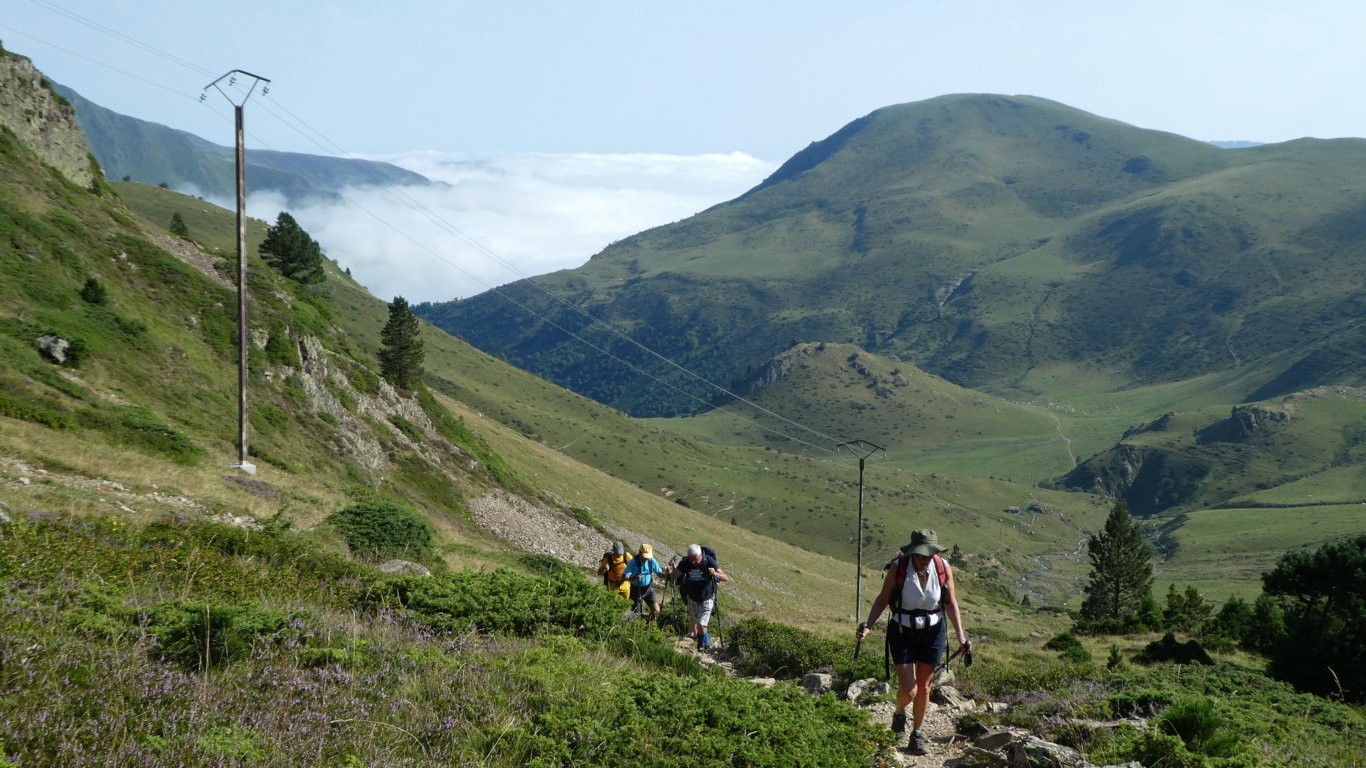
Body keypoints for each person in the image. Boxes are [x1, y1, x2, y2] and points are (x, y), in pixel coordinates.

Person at [856, 529, 969, 756]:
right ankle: (899, 712)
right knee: (910, 690)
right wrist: (868, 625)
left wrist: (961, 635)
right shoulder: (899, 567)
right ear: (912, 553)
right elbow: (883, 598)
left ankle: (916, 734)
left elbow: (950, 602)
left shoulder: (942, 568)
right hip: (902, 631)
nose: (922, 560)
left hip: (933, 632)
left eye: (926, 556)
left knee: (925, 687)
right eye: (919, 555)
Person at [670, 543, 728, 650]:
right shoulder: (686, 562)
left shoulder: (708, 561)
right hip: (692, 598)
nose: (693, 562)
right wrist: (672, 571)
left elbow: (725, 577)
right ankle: (705, 643)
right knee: (699, 623)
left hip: (707, 598)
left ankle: (701, 646)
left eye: (695, 559)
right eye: (691, 559)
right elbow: (674, 577)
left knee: (701, 624)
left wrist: (715, 573)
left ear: (700, 555)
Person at [623, 542, 665, 620]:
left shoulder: (651, 561)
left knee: (656, 610)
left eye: (648, 557)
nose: (646, 559)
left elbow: (659, 574)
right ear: (639, 553)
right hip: (636, 590)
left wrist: (668, 575)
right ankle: (641, 621)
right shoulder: (633, 562)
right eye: (645, 557)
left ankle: (647, 622)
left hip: (648, 589)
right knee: (636, 614)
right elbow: (624, 576)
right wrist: (634, 577)